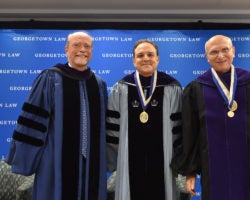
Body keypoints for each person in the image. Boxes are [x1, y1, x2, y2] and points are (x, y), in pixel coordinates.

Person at [170, 35, 250, 200]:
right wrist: (190, 171)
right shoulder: (196, 89)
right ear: (206, 57)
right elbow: (190, 132)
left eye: (225, 50)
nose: (220, 56)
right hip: (213, 171)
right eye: (214, 52)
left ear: (233, 51)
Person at [5, 31, 108, 200]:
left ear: (91, 51)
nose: (82, 50)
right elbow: (33, 120)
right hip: (55, 162)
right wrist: (25, 158)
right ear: (66, 49)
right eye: (76, 45)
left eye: (87, 46)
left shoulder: (98, 84)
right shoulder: (50, 78)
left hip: (92, 164)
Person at [106, 39, 183, 200]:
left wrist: (179, 161)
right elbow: (112, 130)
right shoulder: (121, 88)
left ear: (158, 59)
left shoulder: (171, 87)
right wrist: (113, 161)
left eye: (150, 54)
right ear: (134, 60)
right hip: (129, 163)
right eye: (140, 55)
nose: (146, 58)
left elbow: (179, 128)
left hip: (164, 163)